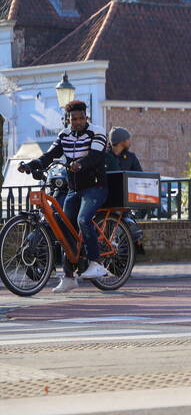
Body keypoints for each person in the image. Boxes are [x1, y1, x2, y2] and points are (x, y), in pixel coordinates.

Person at [20, 100, 112, 292]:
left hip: (95, 187)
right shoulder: (65, 135)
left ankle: (96, 262)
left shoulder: (97, 131)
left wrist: (80, 164)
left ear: (86, 117)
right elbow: (51, 154)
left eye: (80, 118)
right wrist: (32, 165)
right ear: (68, 119)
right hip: (74, 189)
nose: (77, 122)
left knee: (83, 219)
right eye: (73, 119)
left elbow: (96, 156)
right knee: (62, 224)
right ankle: (69, 276)